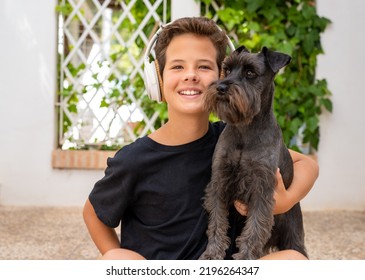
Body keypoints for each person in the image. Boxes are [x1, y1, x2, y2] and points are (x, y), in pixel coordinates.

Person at [83, 17, 319, 260]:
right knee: (113, 260)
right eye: (177, 67)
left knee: (295, 261)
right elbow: (92, 214)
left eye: (204, 67)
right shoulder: (135, 159)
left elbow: (306, 164)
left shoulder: (231, 138)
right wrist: (119, 255)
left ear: (221, 76)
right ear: (156, 80)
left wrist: (285, 201)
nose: (191, 76)